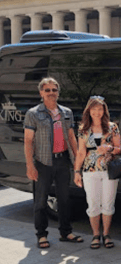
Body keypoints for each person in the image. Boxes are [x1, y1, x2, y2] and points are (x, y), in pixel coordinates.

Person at [24, 77, 83, 248]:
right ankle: (41, 235)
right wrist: (30, 165)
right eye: (47, 90)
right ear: (41, 93)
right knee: (41, 201)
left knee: (64, 199)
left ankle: (66, 232)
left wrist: (77, 159)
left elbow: (71, 137)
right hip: (43, 162)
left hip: (62, 160)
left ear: (58, 92)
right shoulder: (33, 114)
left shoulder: (66, 112)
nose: (51, 93)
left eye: (54, 90)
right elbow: (28, 141)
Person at [73, 96, 121, 249]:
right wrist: (76, 171)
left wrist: (109, 149)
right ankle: (95, 235)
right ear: (89, 110)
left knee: (108, 203)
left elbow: (119, 149)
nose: (97, 112)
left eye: (100, 109)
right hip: (90, 170)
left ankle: (106, 234)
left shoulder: (112, 126)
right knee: (93, 203)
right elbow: (81, 153)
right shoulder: (83, 129)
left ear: (104, 110)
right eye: (94, 109)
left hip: (109, 171)